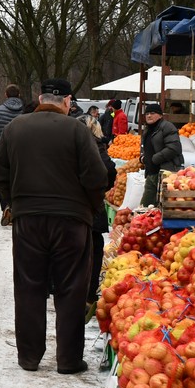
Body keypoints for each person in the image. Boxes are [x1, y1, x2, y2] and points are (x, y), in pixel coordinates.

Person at [0, 78, 108, 374]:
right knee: (71, 288)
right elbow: (96, 177)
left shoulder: (15, 128)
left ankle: (29, 356)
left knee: (29, 286)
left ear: (39, 97)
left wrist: (11, 203)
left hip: (28, 219)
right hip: (71, 222)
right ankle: (68, 359)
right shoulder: (77, 130)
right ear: (68, 101)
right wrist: (90, 208)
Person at [81, 115, 118, 314]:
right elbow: (109, 170)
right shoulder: (95, 145)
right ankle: (88, 295)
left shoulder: (67, 143)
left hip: (70, 204)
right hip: (91, 205)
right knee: (94, 249)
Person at [0, 85, 25, 224]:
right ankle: (17, 208)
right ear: (19, 94)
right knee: (19, 180)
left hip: (1, 151)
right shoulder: (25, 111)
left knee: (0, 179)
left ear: (5, 94)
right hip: (22, 152)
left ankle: (6, 206)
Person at [139, 103, 183, 207]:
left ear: (160, 115)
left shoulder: (167, 127)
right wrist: (143, 157)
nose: (149, 116)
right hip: (151, 172)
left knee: (164, 205)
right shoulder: (148, 129)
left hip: (166, 171)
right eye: (147, 113)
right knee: (146, 205)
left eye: (152, 113)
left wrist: (154, 158)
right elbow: (147, 147)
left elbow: (174, 148)